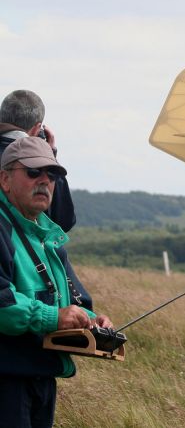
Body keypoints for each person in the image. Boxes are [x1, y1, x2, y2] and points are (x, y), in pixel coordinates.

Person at [0, 137, 112, 428]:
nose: (45, 182)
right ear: (5, 179)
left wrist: (90, 320)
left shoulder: (47, 235)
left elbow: (64, 303)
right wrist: (54, 317)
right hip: (7, 381)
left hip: (40, 376)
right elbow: (3, 305)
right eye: (33, 172)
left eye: (52, 175)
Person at [0, 90, 76, 232]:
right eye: (33, 171)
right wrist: (49, 157)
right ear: (37, 129)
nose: (45, 178)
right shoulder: (23, 160)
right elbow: (63, 220)